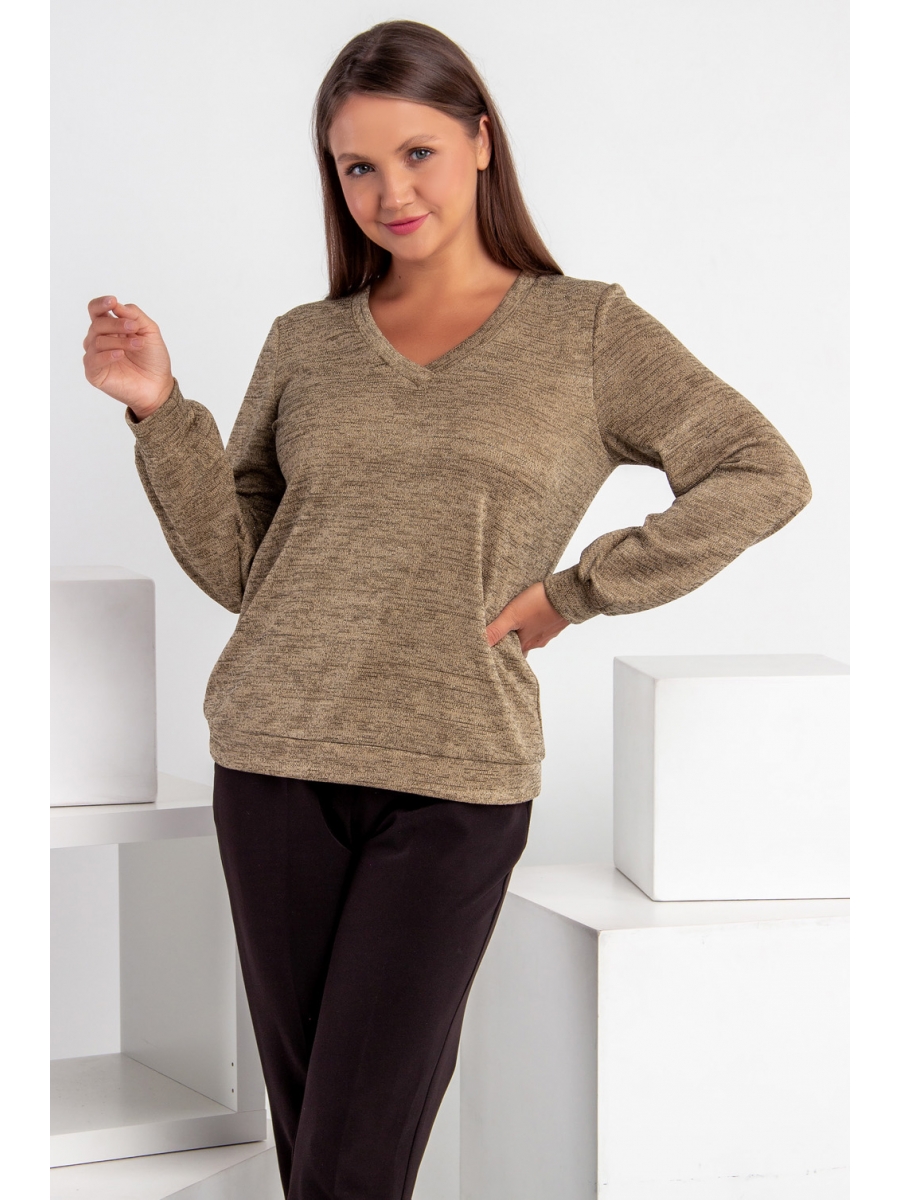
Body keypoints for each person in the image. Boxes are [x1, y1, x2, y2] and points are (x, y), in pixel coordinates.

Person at [81, 18, 812, 1200]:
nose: (391, 192)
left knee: (355, 1153)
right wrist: (161, 412)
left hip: (456, 775)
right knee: (323, 1149)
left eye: (416, 152)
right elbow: (243, 570)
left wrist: (578, 592)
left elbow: (761, 471)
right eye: (358, 167)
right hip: (273, 762)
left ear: (480, 140)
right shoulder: (305, 344)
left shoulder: (588, 331)